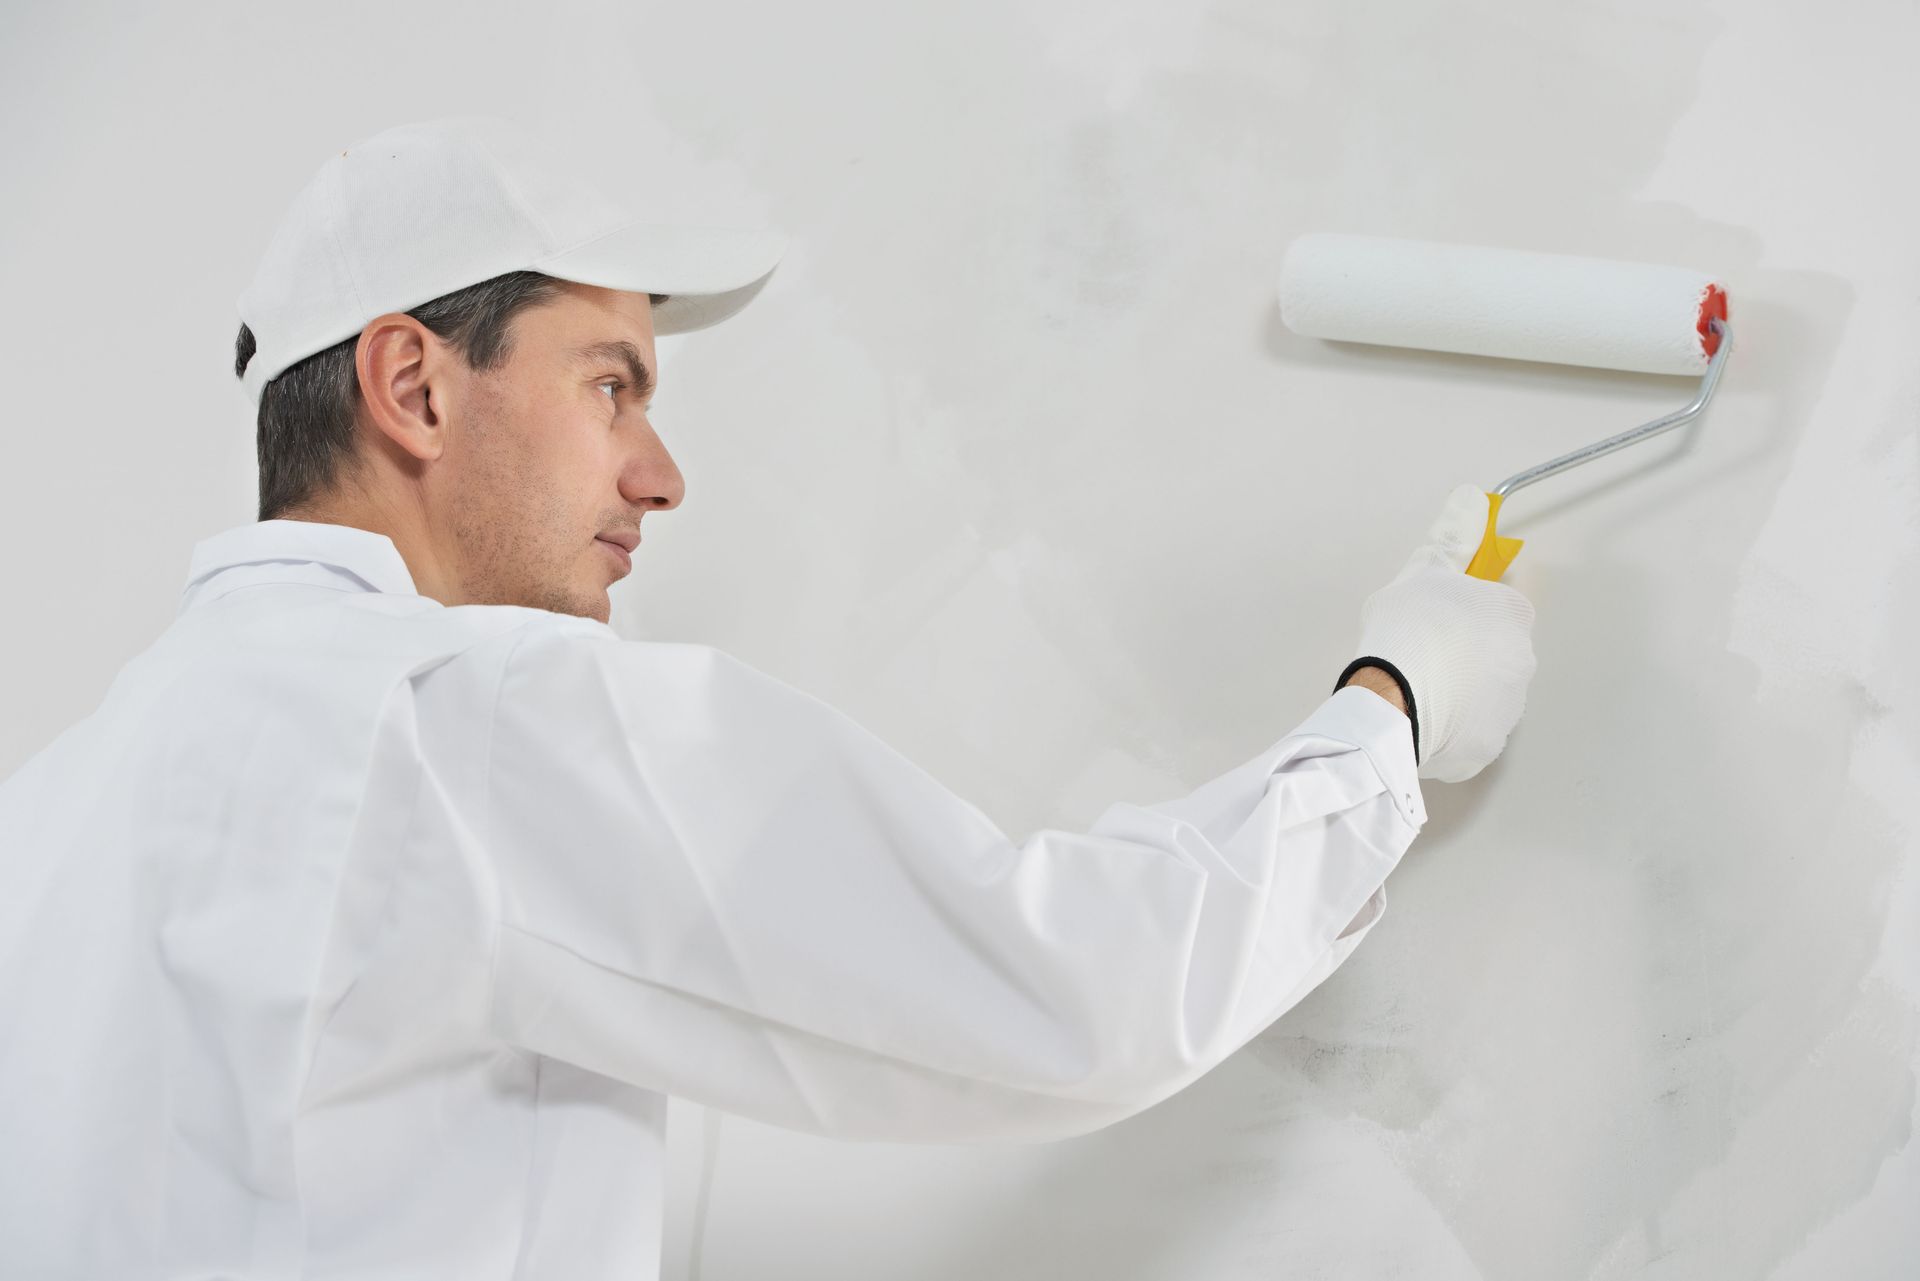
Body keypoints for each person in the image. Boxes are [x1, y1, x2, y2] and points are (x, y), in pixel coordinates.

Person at [0, 115, 1536, 1279]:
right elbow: (1069, 985)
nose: (659, 475)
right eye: (613, 385)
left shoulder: (55, 810)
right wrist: (1394, 706)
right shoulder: (454, 722)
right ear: (413, 387)